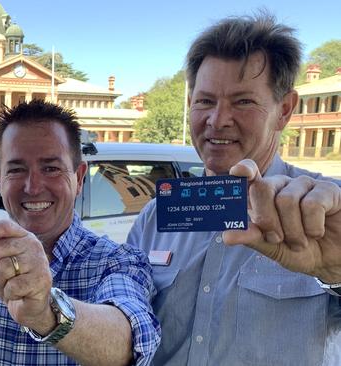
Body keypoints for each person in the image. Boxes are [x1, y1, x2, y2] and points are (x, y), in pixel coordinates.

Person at [126, 13, 341, 365]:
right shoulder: (155, 217)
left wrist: (337, 274)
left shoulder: (326, 214)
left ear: (284, 110)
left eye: (243, 101)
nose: (217, 119)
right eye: (205, 101)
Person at [0, 99, 161, 365]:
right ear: (0, 177)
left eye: (51, 168)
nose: (33, 186)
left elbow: (132, 342)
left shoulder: (117, 261)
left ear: (79, 178)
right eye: (16, 169)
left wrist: (46, 312)